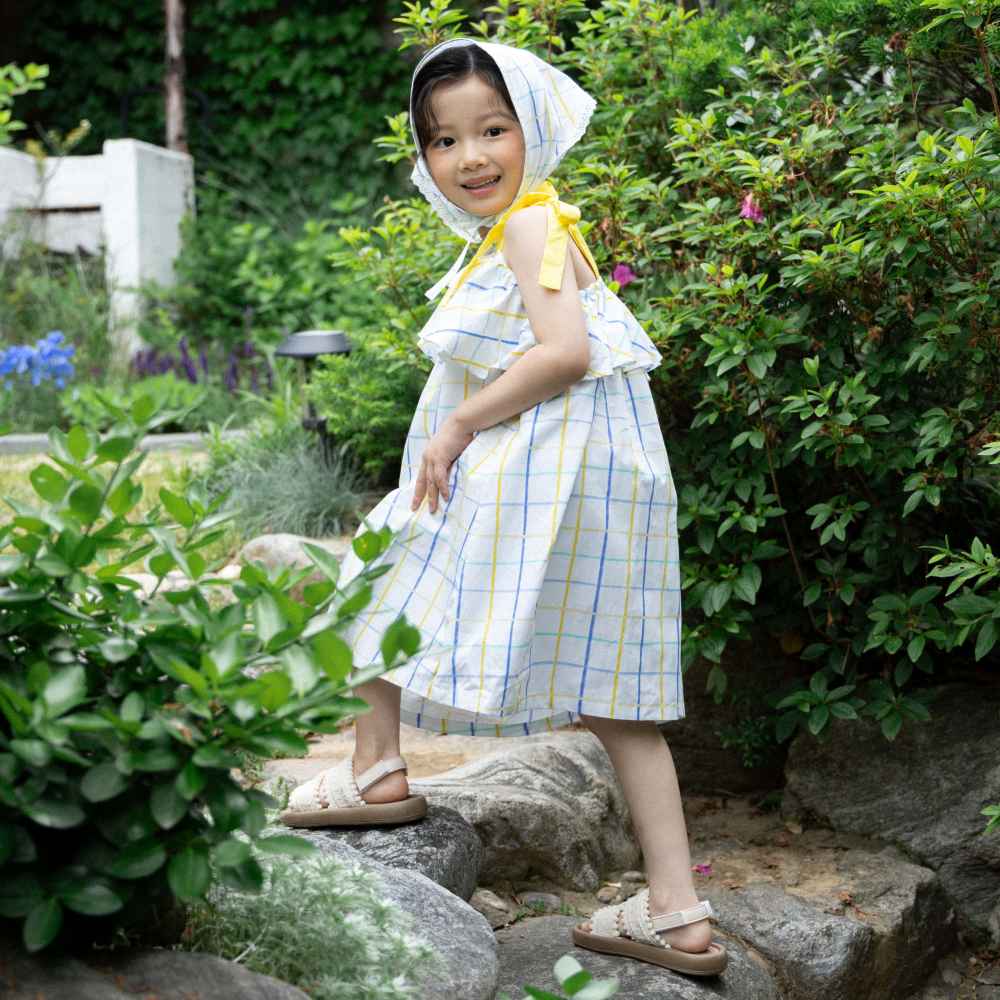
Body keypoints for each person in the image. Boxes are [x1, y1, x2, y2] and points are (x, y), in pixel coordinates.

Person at [281, 37, 728, 977]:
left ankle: (375, 769)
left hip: (543, 471)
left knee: (379, 567)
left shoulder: (532, 226)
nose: (471, 155)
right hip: (576, 478)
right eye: (445, 141)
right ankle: (679, 911)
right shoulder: (526, 228)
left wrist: (454, 431)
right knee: (617, 698)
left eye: (493, 129)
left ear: (535, 128)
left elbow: (562, 350)